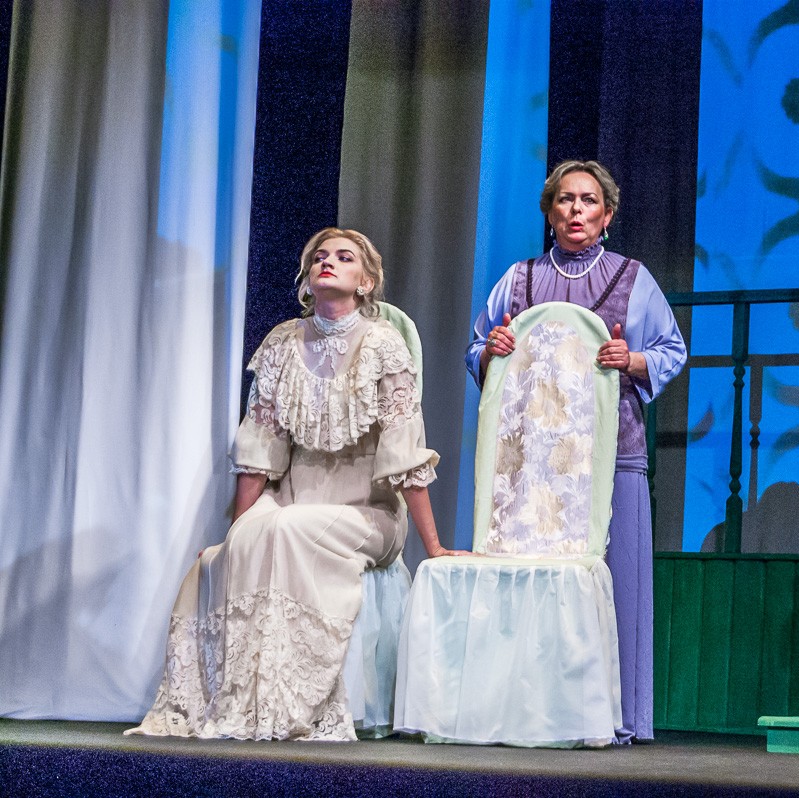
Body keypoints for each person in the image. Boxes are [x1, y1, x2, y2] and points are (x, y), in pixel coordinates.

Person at [130, 227, 464, 742]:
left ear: (366, 281)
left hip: (367, 509)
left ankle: (293, 702)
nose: (328, 262)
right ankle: (233, 702)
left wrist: (433, 546)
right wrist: (236, 535)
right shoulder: (283, 342)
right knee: (223, 554)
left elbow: (405, 454)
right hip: (290, 498)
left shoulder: (383, 344)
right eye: (319, 257)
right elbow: (259, 450)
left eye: (344, 257)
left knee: (286, 529)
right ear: (307, 279)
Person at [466, 160, 686, 743]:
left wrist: (631, 360)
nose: (576, 211)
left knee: (614, 583)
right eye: (565, 200)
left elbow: (671, 349)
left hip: (611, 454)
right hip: (529, 464)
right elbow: (479, 347)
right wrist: (492, 348)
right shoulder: (519, 279)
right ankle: (526, 709)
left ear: (607, 215)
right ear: (549, 211)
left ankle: (617, 715)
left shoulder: (633, 278)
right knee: (531, 582)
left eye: (589, 201)